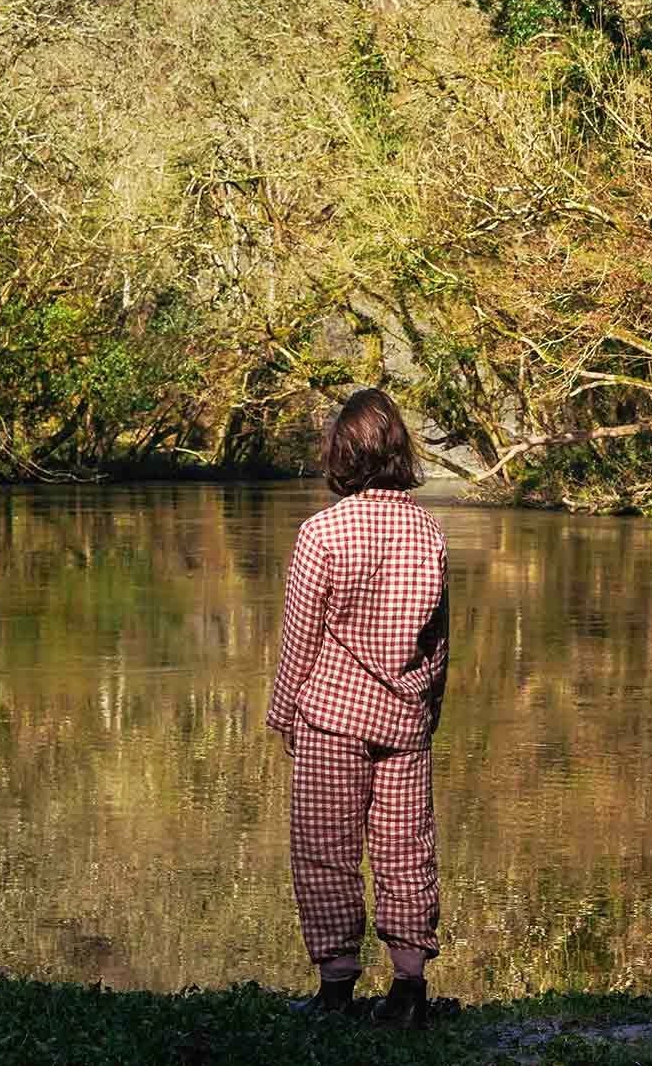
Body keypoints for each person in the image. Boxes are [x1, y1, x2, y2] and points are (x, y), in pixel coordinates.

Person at [266, 388, 450, 1028]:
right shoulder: (427, 531)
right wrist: (430, 707)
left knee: (325, 851)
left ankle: (336, 987)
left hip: (332, 717)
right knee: (406, 850)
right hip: (405, 718)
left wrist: (284, 714)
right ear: (398, 450)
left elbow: (299, 638)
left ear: (340, 455)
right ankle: (408, 987)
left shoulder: (321, 533)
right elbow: (439, 639)